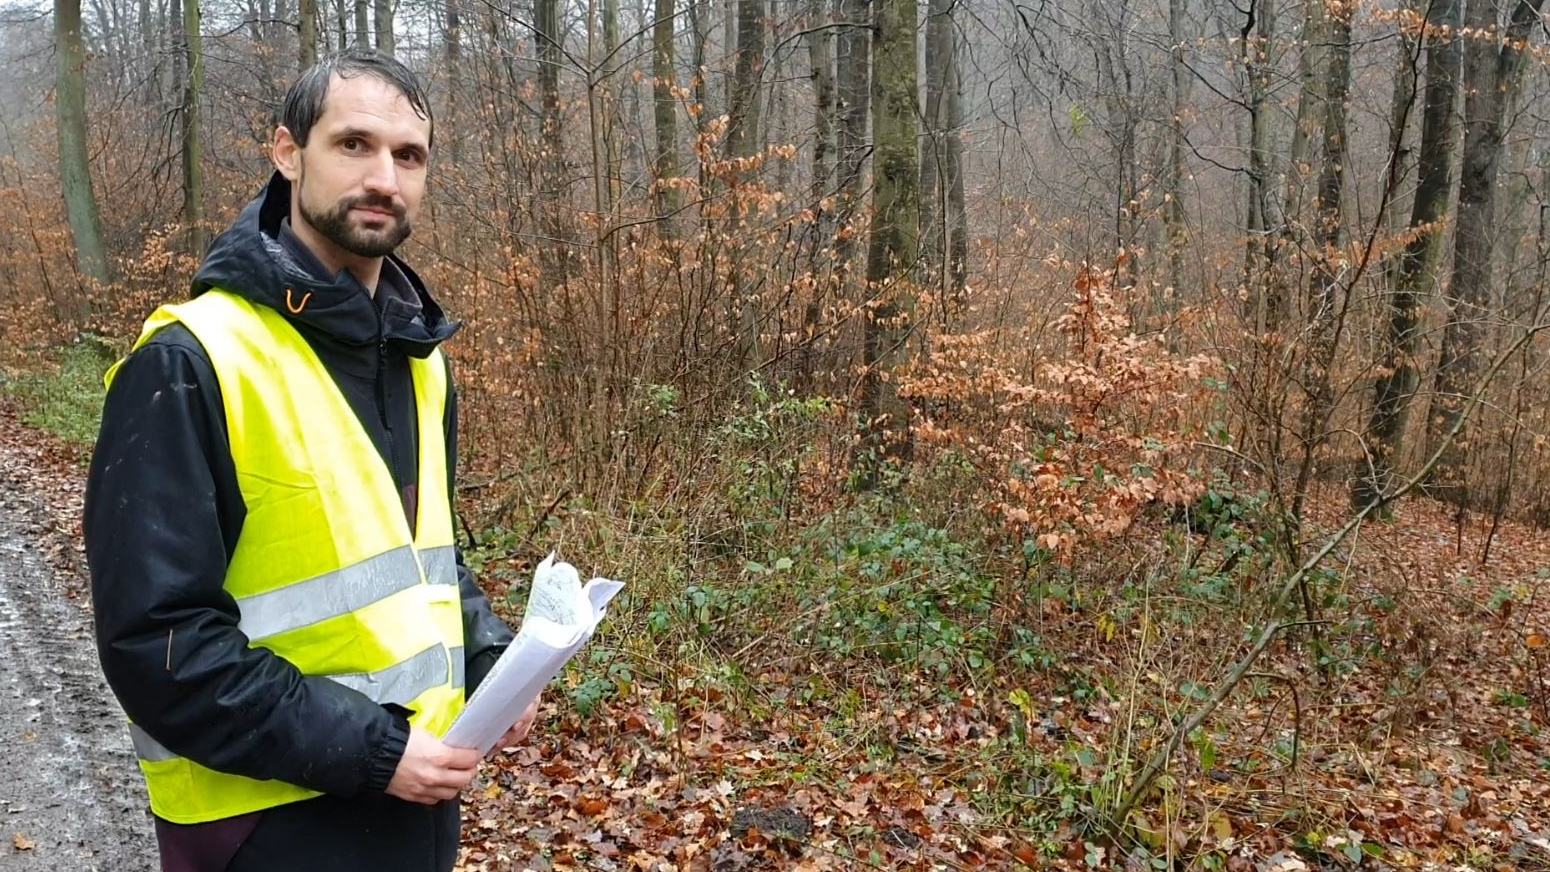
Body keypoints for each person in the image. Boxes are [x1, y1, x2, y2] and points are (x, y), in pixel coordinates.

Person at [84, 50, 534, 872]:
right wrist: (372, 750)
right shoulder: (191, 361)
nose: (385, 179)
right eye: (353, 144)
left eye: (409, 156)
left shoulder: (419, 361)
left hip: (411, 802)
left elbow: (419, 563)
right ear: (288, 153)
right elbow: (158, 643)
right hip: (263, 823)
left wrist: (492, 659)